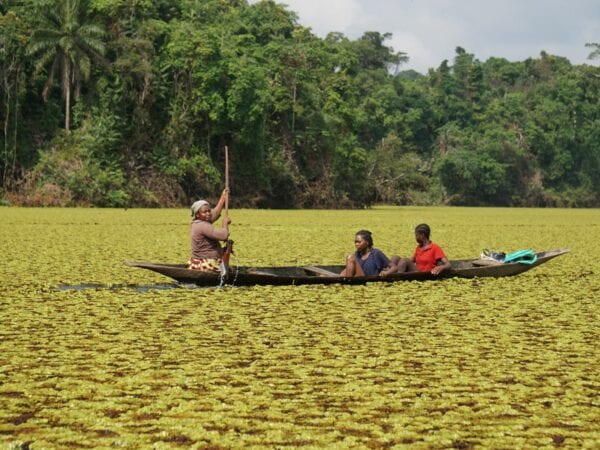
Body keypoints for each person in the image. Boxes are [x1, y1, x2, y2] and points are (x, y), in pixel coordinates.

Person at [188, 188, 230, 272]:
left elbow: (215, 213)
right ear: (197, 214)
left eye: (209, 211)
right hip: (206, 263)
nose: (208, 214)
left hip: (205, 261)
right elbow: (223, 236)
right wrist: (225, 224)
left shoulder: (199, 221)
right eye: (204, 212)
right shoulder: (202, 226)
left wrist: (223, 197)